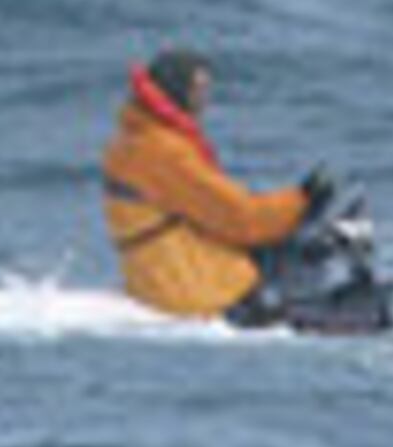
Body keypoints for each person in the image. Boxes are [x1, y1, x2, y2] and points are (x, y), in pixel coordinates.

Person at [99, 48, 333, 326]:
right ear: (177, 91)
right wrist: (303, 199)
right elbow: (241, 220)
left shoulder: (132, 140)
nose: (205, 100)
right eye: (198, 90)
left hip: (154, 275)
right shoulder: (165, 151)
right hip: (189, 290)